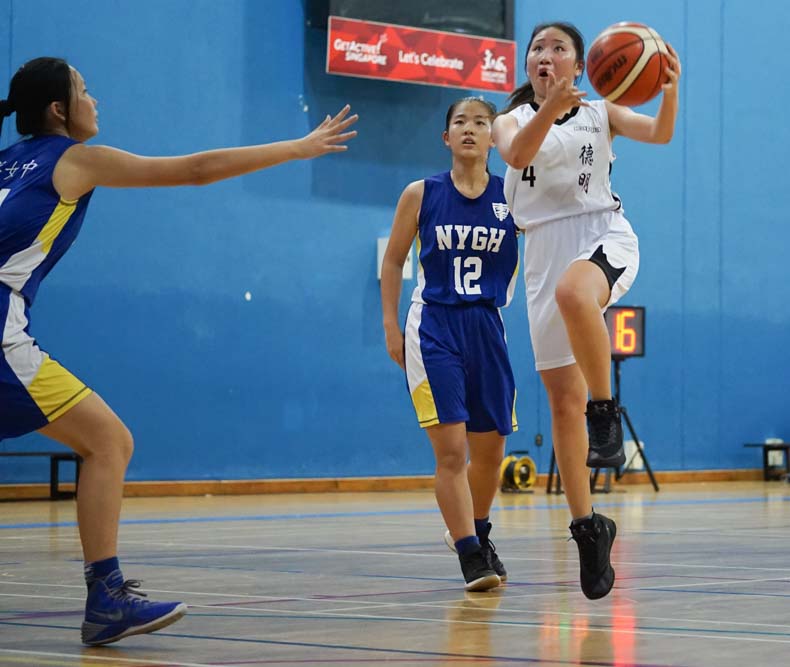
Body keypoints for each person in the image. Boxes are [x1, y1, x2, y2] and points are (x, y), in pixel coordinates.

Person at [0, 57, 357, 644]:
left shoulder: (8, 164)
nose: (97, 102)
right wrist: (298, 147)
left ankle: (106, 598)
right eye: (86, 91)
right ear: (59, 110)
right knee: (109, 441)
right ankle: (107, 598)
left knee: (105, 441)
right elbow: (195, 170)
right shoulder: (74, 159)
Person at [491, 21, 680, 599]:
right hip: (542, 250)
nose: (545, 56)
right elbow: (520, 152)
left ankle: (608, 413)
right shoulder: (510, 119)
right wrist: (549, 106)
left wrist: (669, 86)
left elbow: (662, 134)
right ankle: (588, 527)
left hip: (602, 234)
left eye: (558, 49)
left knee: (578, 296)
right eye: (537, 50)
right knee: (560, 403)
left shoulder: (603, 112)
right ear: (528, 66)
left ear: (581, 64)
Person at [380, 97, 518, 593]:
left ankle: (479, 533)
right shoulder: (420, 193)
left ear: (494, 137)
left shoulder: (513, 196)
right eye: (459, 122)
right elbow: (393, 261)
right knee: (452, 451)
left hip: (487, 325)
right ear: (446, 137)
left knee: (491, 449)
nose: (469, 129)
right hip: (434, 326)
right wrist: (390, 326)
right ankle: (468, 555)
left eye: (481, 122)